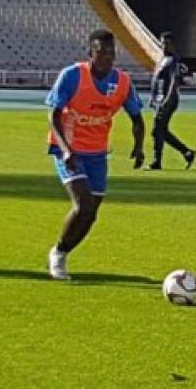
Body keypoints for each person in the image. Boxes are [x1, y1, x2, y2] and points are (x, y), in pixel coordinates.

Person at [46, 29, 145, 281]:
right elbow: (54, 114)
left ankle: (64, 250)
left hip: (97, 154)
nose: (107, 58)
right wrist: (66, 150)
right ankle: (58, 254)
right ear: (90, 53)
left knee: (91, 214)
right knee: (83, 205)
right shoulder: (72, 76)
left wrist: (139, 146)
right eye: (101, 53)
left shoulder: (121, 82)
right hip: (68, 149)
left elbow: (137, 118)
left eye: (111, 53)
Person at [146, 32, 196, 171]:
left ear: (172, 45)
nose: (163, 46)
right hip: (159, 99)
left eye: (166, 43)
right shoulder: (162, 59)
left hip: (168, 99)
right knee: (160, 131)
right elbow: (157, 79)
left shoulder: (174, 61)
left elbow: (174, 82)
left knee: (157, 130)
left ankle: (157, 162)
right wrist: (153, 97)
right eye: (162, 43)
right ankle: (187, 153)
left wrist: (166, 100)